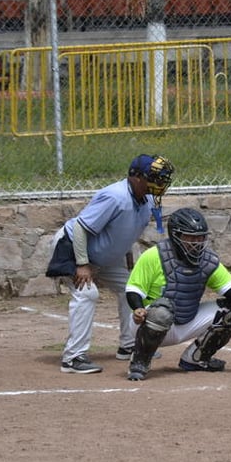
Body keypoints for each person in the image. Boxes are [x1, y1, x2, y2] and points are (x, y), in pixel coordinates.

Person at [47, 154, 174, 374]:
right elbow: (80, 229)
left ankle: (129, 345)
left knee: (132, 290)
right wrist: (82, 264)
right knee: (87, 294)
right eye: (153, 177)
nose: (159, 183)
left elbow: (125, 232)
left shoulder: (148, 200)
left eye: (160, 178)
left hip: (103, 257)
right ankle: (73, 358)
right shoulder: (115, 197)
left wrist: (128, 262)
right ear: (135, 177)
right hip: (73, 248)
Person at [124, 207, 231, 381]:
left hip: (185, 321)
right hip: (146, 324)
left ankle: (196, 359)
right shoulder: (154, 256)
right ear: (176, 236)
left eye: (200, 237)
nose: (197, 242)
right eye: (191, 237)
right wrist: (137, 309)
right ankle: (139, 361)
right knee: (162, 311)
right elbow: (133, 290)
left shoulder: (207, 261)